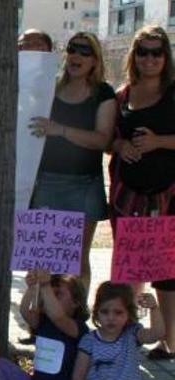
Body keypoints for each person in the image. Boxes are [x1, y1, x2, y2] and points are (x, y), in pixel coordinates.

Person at [28, 32, 115, 291]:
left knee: (76, 260)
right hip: (46, 182)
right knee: (41, 258)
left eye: (85, 51)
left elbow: (102, 140)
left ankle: (76, 319)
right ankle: (42, 318)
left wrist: (60, 130)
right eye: (72, 48)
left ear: (95, 60)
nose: (76, 55)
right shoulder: (49, 87)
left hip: (84, 185)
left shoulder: (103, 93)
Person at [109, 26, 175, 360]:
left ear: (166, 57)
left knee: (166, 271)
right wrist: (120, 144)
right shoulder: (122, 95)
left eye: (156, 52)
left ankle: (168, 341)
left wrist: (158, 142)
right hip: (128, 196)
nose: (150, 59)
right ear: (134, 56)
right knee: (129, 268)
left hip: (168, 194)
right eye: (143, 52)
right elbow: (108, 137)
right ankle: (127, 336)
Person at [0, 270, 87, 380]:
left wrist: (45, 286)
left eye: (57, 294)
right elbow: (25, 311)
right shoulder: (43, 322)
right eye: (48, 294)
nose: (49, 297)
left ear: (76, 302)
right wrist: (32, 287)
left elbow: (58, 316)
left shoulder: (77, 328)